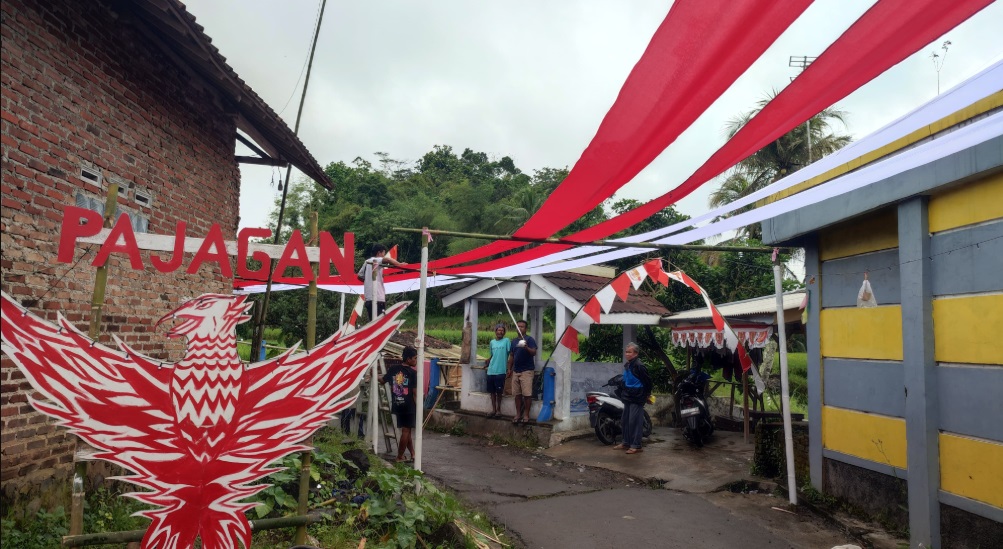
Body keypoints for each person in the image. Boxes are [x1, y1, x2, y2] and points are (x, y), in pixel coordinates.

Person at [614, 342, 652, 454]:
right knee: (625, 421)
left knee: (634, 422)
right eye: (626, 352)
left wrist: (647, 394)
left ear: (635, 353)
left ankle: (636, 445)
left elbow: (648, 382)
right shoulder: (628, 365)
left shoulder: (639, 366)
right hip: (628, 396)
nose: (627, 354)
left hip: (637, 397)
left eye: (629, 352)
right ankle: (626, 442)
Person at [382, 346, 418, 463]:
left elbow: (382, 380)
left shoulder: (393, 368)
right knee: (406, 431)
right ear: (408, 359)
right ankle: (400, 456)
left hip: (398, 403)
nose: (416, 361)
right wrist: (419, 408)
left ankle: (413, 453)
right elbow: (414, 393)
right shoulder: (413, 373)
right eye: (414, 358)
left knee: (407, 431)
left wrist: (374, 375)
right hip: (408, 405)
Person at [356, 243, 404, 320]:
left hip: (368, 298)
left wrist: (368, 281)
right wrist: (400, 265)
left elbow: (359, 276)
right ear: (379, 253)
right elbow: (388, 260)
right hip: (377, 298)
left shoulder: (366, 262)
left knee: (372, 323)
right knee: (380, 323)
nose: (383, 256)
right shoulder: (375, 260)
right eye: (383, 254)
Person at [507, 319, 537, 425]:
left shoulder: (529, 339)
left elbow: (534, 352)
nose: (519, 328)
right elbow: (512, 355)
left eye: (522, 327)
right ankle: (518, 414)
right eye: (518, 326)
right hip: (516, 371)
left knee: (527, 395)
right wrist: (509, 368)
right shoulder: (514, 341)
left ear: (526, 329)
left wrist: (526, 347)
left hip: (526, 371)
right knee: (517, 395)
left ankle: (526, 415)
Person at [484, 324, 511, 418]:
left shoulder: (506, 341)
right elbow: (492, 355)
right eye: (499, 330)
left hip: (501, 371)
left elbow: (510, 354)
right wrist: (488, 360)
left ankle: (499, 410)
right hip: (491, 370)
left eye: (502, 330)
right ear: (495, 331)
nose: (500, 332)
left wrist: (509, 368)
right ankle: (493, 410)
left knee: (499, 392)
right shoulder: (492, 342)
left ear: (504, 332)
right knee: (492, 392)